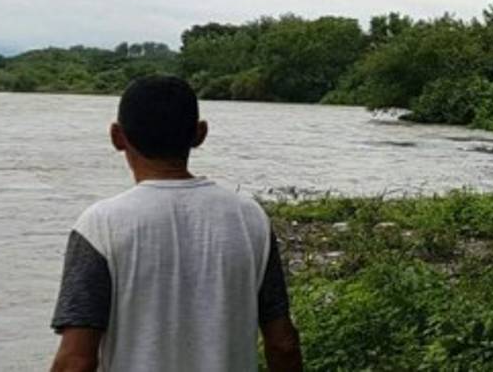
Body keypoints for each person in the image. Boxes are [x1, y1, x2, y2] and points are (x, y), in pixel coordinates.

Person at [49, 74, 303, 372]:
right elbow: (283, 344)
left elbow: (76, 361)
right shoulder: (250, 219)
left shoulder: (100, 226)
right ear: (200, 134)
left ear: (117, 137)